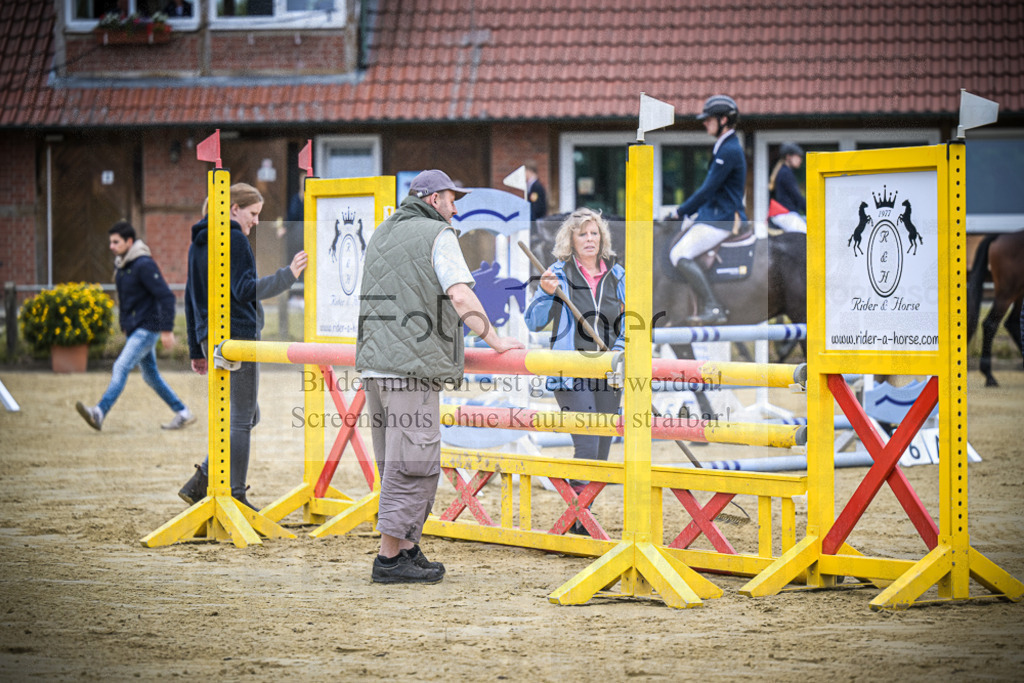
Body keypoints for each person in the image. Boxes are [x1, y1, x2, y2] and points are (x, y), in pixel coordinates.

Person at [356, 169, 524, 584]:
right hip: (410, 366)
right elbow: (462, 294)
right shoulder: (438, 235)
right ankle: (390, 559)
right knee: (413, 462)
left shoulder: (382, 232)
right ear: (433, 200)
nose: (456, 207)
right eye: (452, 198)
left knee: (395, 460)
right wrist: (495, 339)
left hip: (375, 363)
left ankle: (408, 548)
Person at [178, 183, 308, 510]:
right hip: (238, 337)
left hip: (213, 337)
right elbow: (245, 289)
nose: (256, 222)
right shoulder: (234, 238)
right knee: (240, 419)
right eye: (253, 214)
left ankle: (203, 478)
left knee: (246, 414)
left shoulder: (198, 241)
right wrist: (288, 275)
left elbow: (191, 296)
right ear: (234, 208)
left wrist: (197, 348)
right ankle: (235, 493)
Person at [524, 208, 625, 535]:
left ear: (602, 238)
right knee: (586, 444)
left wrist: (621, 350)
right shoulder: (557, 273)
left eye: (594, 233)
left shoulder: (618, 275)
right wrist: (546, 293)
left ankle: (582, 518)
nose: (590, 239)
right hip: (570, 371)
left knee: (603, 449)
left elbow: (629, 322)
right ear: (571, 239)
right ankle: (580, 518)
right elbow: (534, 321)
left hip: (608, 372)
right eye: (582, 233)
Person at [76, 222, 194, 432]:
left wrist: (167, 330)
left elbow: (166, 296)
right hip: (136, 328)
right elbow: (125, 300)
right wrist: (124, 325)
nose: (111, 246)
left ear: (129, 242)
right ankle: (183, 412)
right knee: (151, 376)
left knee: (120, 367)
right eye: (110, 242)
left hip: (148, 328)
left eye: (116, 242)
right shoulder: (122, 265)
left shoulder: (143, 264)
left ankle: (99, 412)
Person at [668, 94, 746, 325]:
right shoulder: (724, 146)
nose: (704, 123)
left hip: (721, 218)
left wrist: (679, 212)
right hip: (712, 215)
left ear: (723, 120)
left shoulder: (729, 149)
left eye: (709, 119)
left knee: (678, 254)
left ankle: (713, 307)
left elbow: (708, 189)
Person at [768, 142, 807, 233]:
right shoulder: (786, 173)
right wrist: (811, 211)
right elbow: (796, 196)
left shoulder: (784, 171)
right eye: (798, 157)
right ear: (788, 157)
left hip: (787, 214)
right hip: (786, 214)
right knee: (807, 235)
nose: (800, 160)